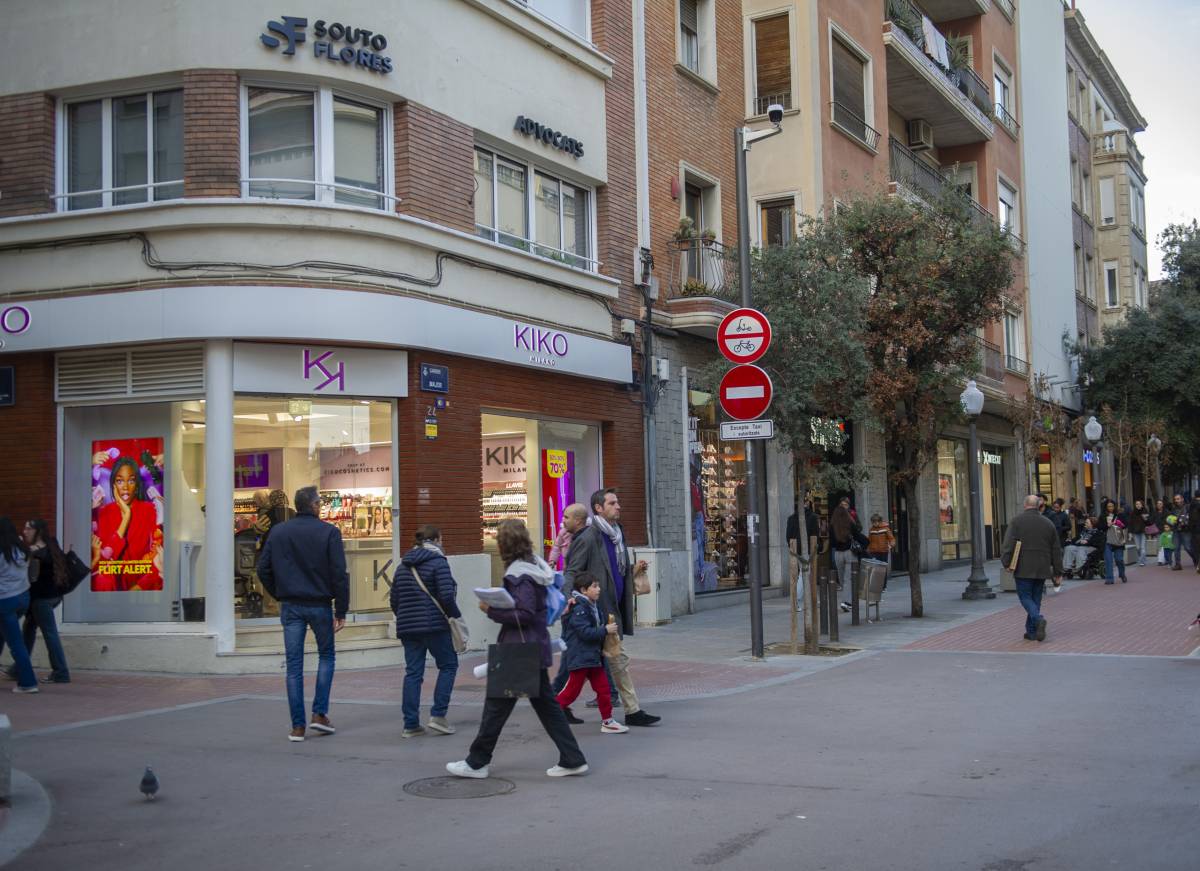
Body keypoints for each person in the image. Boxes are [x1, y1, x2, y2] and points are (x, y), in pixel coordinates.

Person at [447, 519, 588, 779]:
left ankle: (477, 762)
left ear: (504, 544)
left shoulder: (518, 573)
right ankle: (572, 758)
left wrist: (492, 610)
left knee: (496, 708)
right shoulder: (534, 566)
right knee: (545, 707)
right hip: (533, 647)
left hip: (518, 649)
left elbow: (523, 613)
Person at [257, 486, 349, 742]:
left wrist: (279, 593)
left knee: (294, 666)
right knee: (326, 656)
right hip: (319, 603)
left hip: (291, 604)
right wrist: (341, 609)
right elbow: (339, 574)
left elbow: (263, 568)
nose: (321, 505)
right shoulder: (329, 532)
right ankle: (319, 714)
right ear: (314, 505)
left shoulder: (278, 532)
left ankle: (297, 726)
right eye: (320, 502)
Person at [563, 489, 660, 727]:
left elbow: (618, 569)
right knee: (617, 661)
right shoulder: (588, 537)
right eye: (612, 503)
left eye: (618, 502)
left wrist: (634, 570)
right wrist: (567, 598)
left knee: (585, 665)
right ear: (598, 508)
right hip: (597, 612)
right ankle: (631, 711)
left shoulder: (617, 533)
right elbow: (572, 571)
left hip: (612, 609)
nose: (618, 506)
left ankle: (558, 706)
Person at [391, 524, 461, 739]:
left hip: (408, 627)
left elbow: (395, 599)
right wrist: (454, 616)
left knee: (413, 673)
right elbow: (447, 595)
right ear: (437, 539)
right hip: (434, 625)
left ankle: (410, 724)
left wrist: (406, 616)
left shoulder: (403, 565)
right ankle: (438, 715)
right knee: (449, 665)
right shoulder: (439, 562)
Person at [555, 573, 627, 734]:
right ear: (583, 590)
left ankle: (608, 721)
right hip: (581, 656)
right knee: (571, 692)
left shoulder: (591, 605)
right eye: (594, 586)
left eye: (598, 585)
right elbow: (584, 633)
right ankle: (551, 714)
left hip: (593, 657)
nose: (598, 589)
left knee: (603, 689)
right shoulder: (580, 608)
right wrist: (605, 630)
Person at [3, 519, 71, 684]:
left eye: (28, 529)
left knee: (49, 633)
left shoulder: (36, 553)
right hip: (51, 596)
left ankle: (61, 671)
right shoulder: (51, 546)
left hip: (41, 599)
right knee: (29, 630)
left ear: (37, 532)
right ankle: (18, 669)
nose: (25, 531)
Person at [91, 455, 162, 591]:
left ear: (136, 485)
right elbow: (106, 559)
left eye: (131, 481)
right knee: (102, 580)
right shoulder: (104, 512)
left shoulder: (149, 510)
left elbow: (159, 556)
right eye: (119, 481)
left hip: (142, 587)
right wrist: (126, 516)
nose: (125, 487)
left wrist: (140, 586)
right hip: (112, 588)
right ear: (113, 484)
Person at [1000, 495, 1062, 642]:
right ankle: (1032, 631)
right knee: (1036, 598)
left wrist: (1006, 563)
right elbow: (1056, 549)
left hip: (1023, 566)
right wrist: (1058, 571)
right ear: (1039, 505)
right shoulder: (1048, 523)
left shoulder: (1016, 522)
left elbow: (1008, 545)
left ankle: (1038, 619)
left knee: (1025, 597)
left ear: (1025, 505)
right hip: (1042, 566)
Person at [0, 517, 38, 693]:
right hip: (23, 597)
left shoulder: (2, 552)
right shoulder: (22, 549)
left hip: (5, 600)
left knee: (15, 644)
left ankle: (28, 683)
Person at [829, 498, 861, 612]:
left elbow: (831, 541)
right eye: (843, 505)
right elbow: (858, 533)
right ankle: (847, 601)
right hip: (849, 552)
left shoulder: (832, 523)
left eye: (845, 504)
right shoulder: (850, 521)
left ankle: (847, 600)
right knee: (847, 579)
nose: (844, 507)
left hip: (838, 553)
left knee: (844, 579)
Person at [1097, 500, 1128, 584]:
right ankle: (1109, 578)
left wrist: (1119, 523)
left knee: (1119, 559)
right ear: (1106, 507)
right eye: (1108, 506)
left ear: (1114, 506)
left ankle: (1122, 574)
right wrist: (1106, 525)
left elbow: (1125, 524)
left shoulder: (1119, 515)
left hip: (1118, 540)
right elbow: (1099, 527)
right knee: (1108, 559)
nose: (1110, 508)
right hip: (1107, 540)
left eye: (1112, 506)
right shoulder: (1103, 516)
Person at [1168, 494, 1192, 572]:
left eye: (1178, 499)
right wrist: (1171, 520)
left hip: (1185, 530)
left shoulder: (1188, 507)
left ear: (1182, 499)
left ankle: (1196, 559)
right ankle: (1178, 564)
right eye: (1175, 499)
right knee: (1176, 548)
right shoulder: (1174, 509)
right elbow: (1171, 518)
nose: (1176, 501)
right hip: (1176, 530)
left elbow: (1192, 517)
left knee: (1187, 547)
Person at [1127, 499, 1150, 567]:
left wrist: (1145, 519)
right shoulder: (1132, 513)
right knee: (1138, 548)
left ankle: (1142, 561)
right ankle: (1143, 559)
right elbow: (1130, 523)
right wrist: (1130, 532)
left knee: (1142, 547)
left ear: (1142, 505)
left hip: (1143, 531)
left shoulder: (1145, 511)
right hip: (1135, 532)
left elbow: (1149, 522)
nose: (1138, 505)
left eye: (1139, 504)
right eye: (1136, 504)